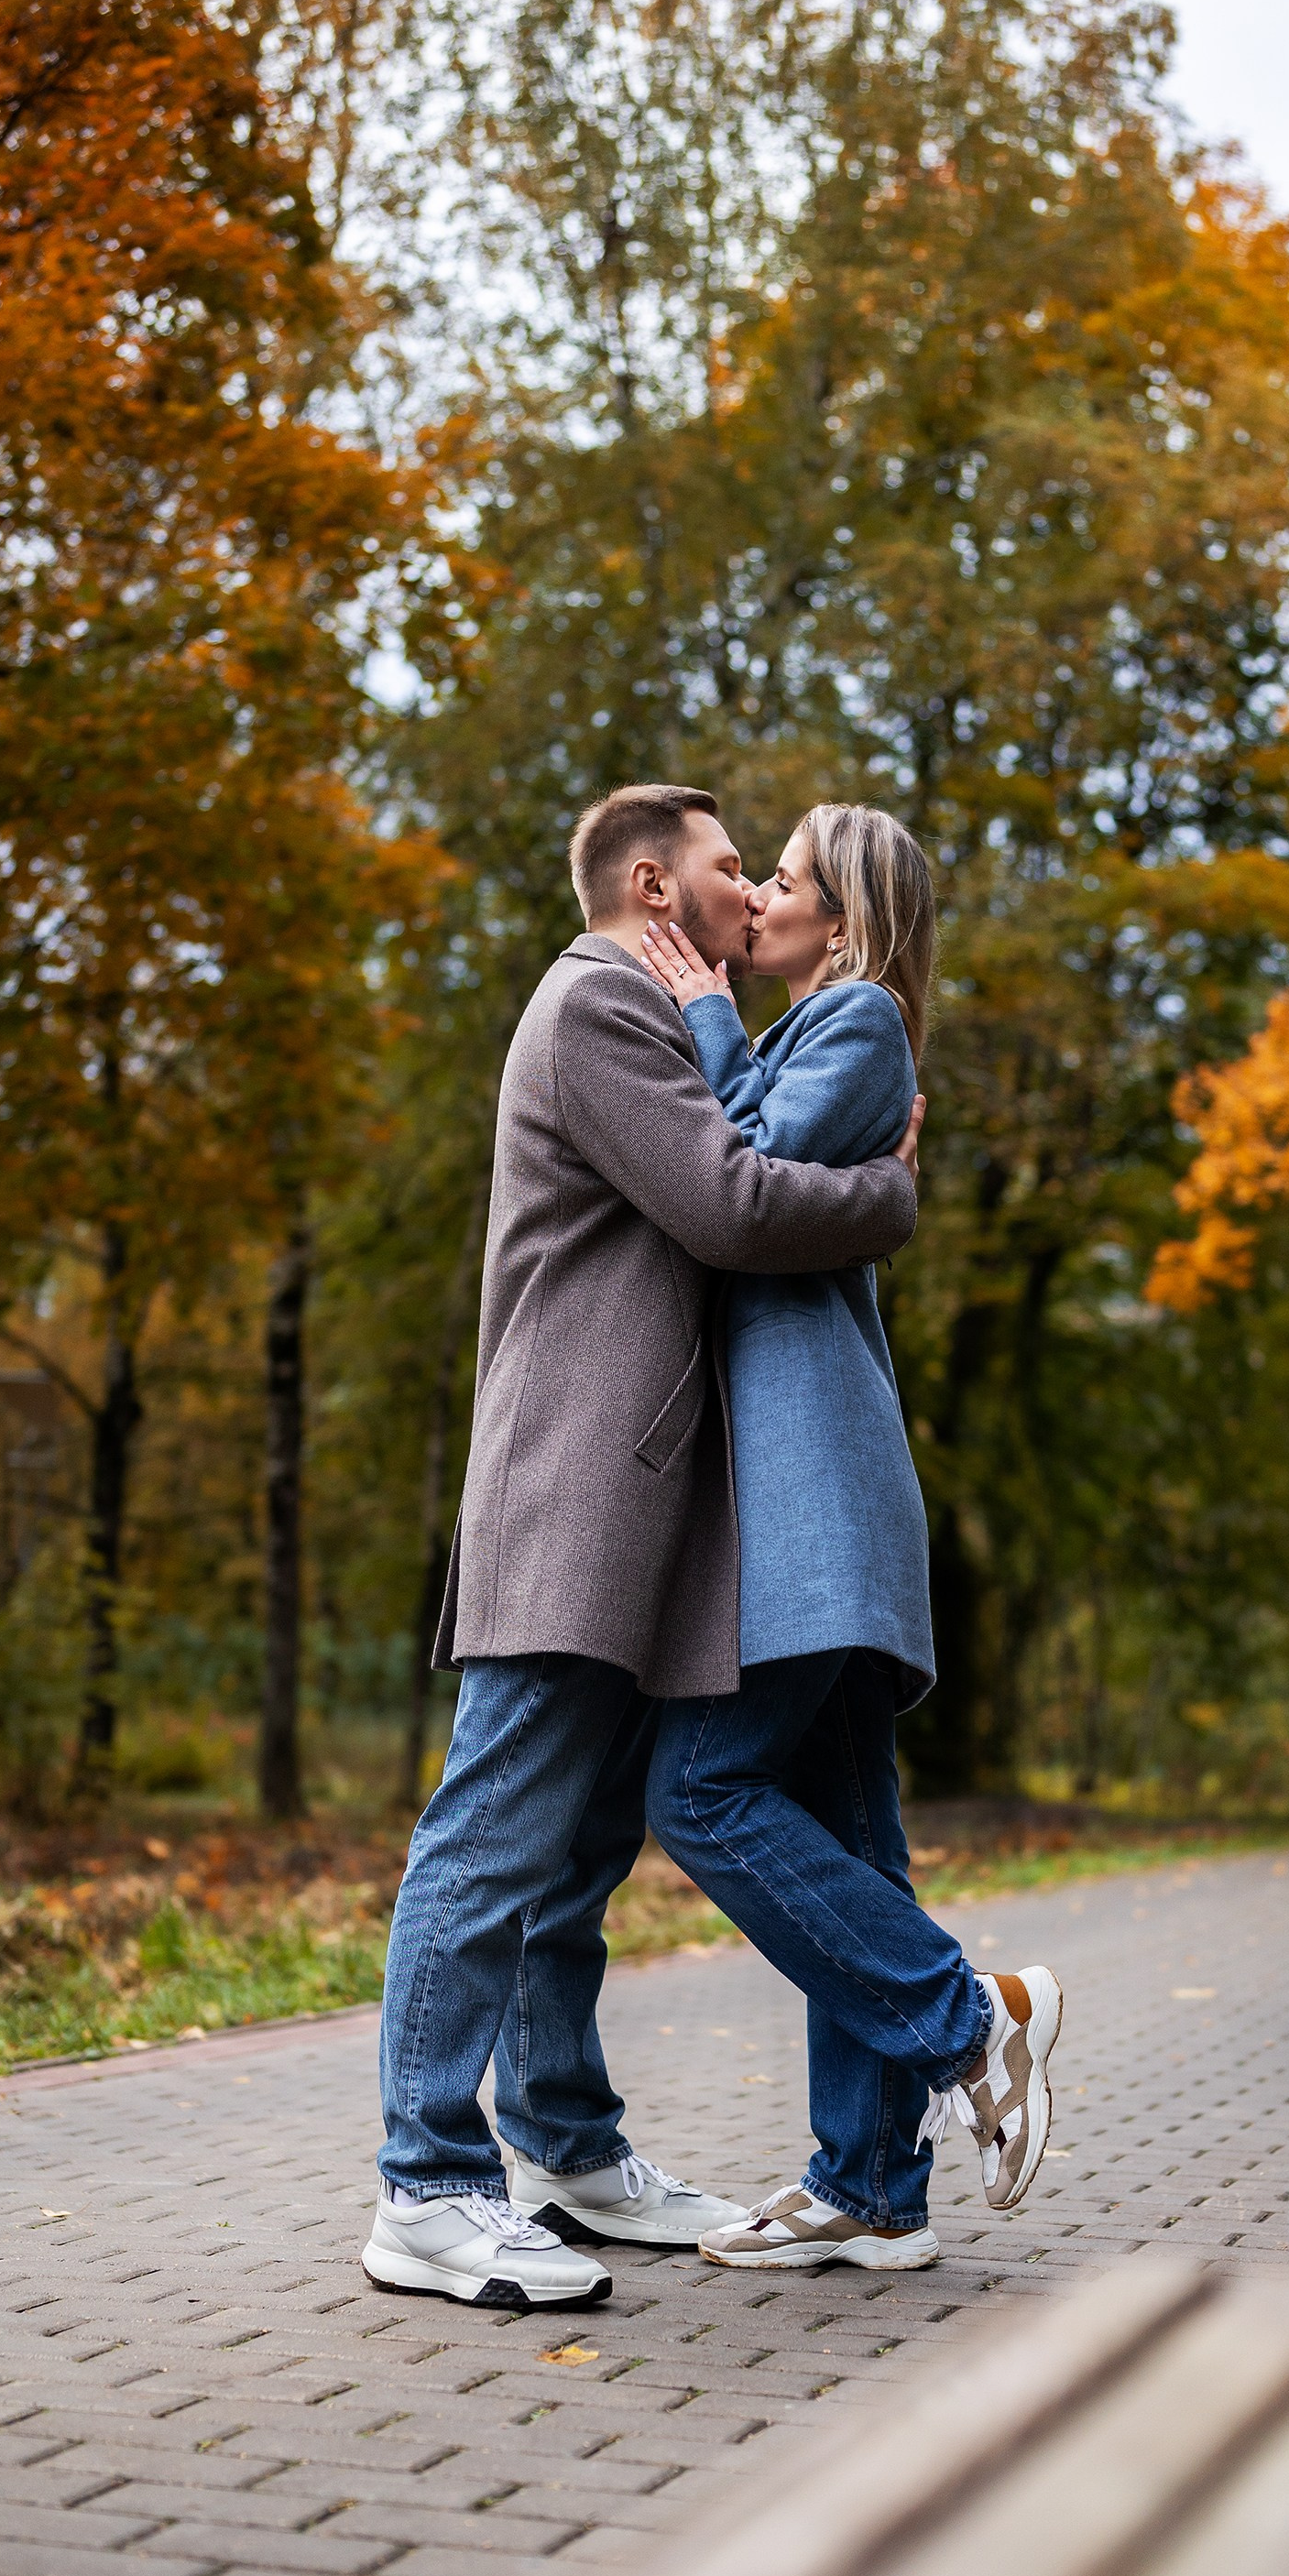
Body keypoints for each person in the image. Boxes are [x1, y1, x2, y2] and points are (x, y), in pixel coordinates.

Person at [362, 784, 923, 2316]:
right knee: (492, 1830)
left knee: (579, 1849)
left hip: (641, 1504)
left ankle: (563, 2145)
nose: (753, 895)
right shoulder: (604, 1002)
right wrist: (887, 1191)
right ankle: (425, 2183)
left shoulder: (660, 1016)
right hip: (576, 1489)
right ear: (651, 885)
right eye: (732, 869)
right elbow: (730, 1203)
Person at [637, 804, 1064, 2273]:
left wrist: (699, 1010)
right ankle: (871, 2183)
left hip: (816, 1510)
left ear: (849, 922)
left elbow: (727, 1174)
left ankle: (967, 2018)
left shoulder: (861, 1020)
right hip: (828, 1508)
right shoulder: (824, 1029)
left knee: (700, 1791)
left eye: (787, 881)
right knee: (849, 1840)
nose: (756, 894)